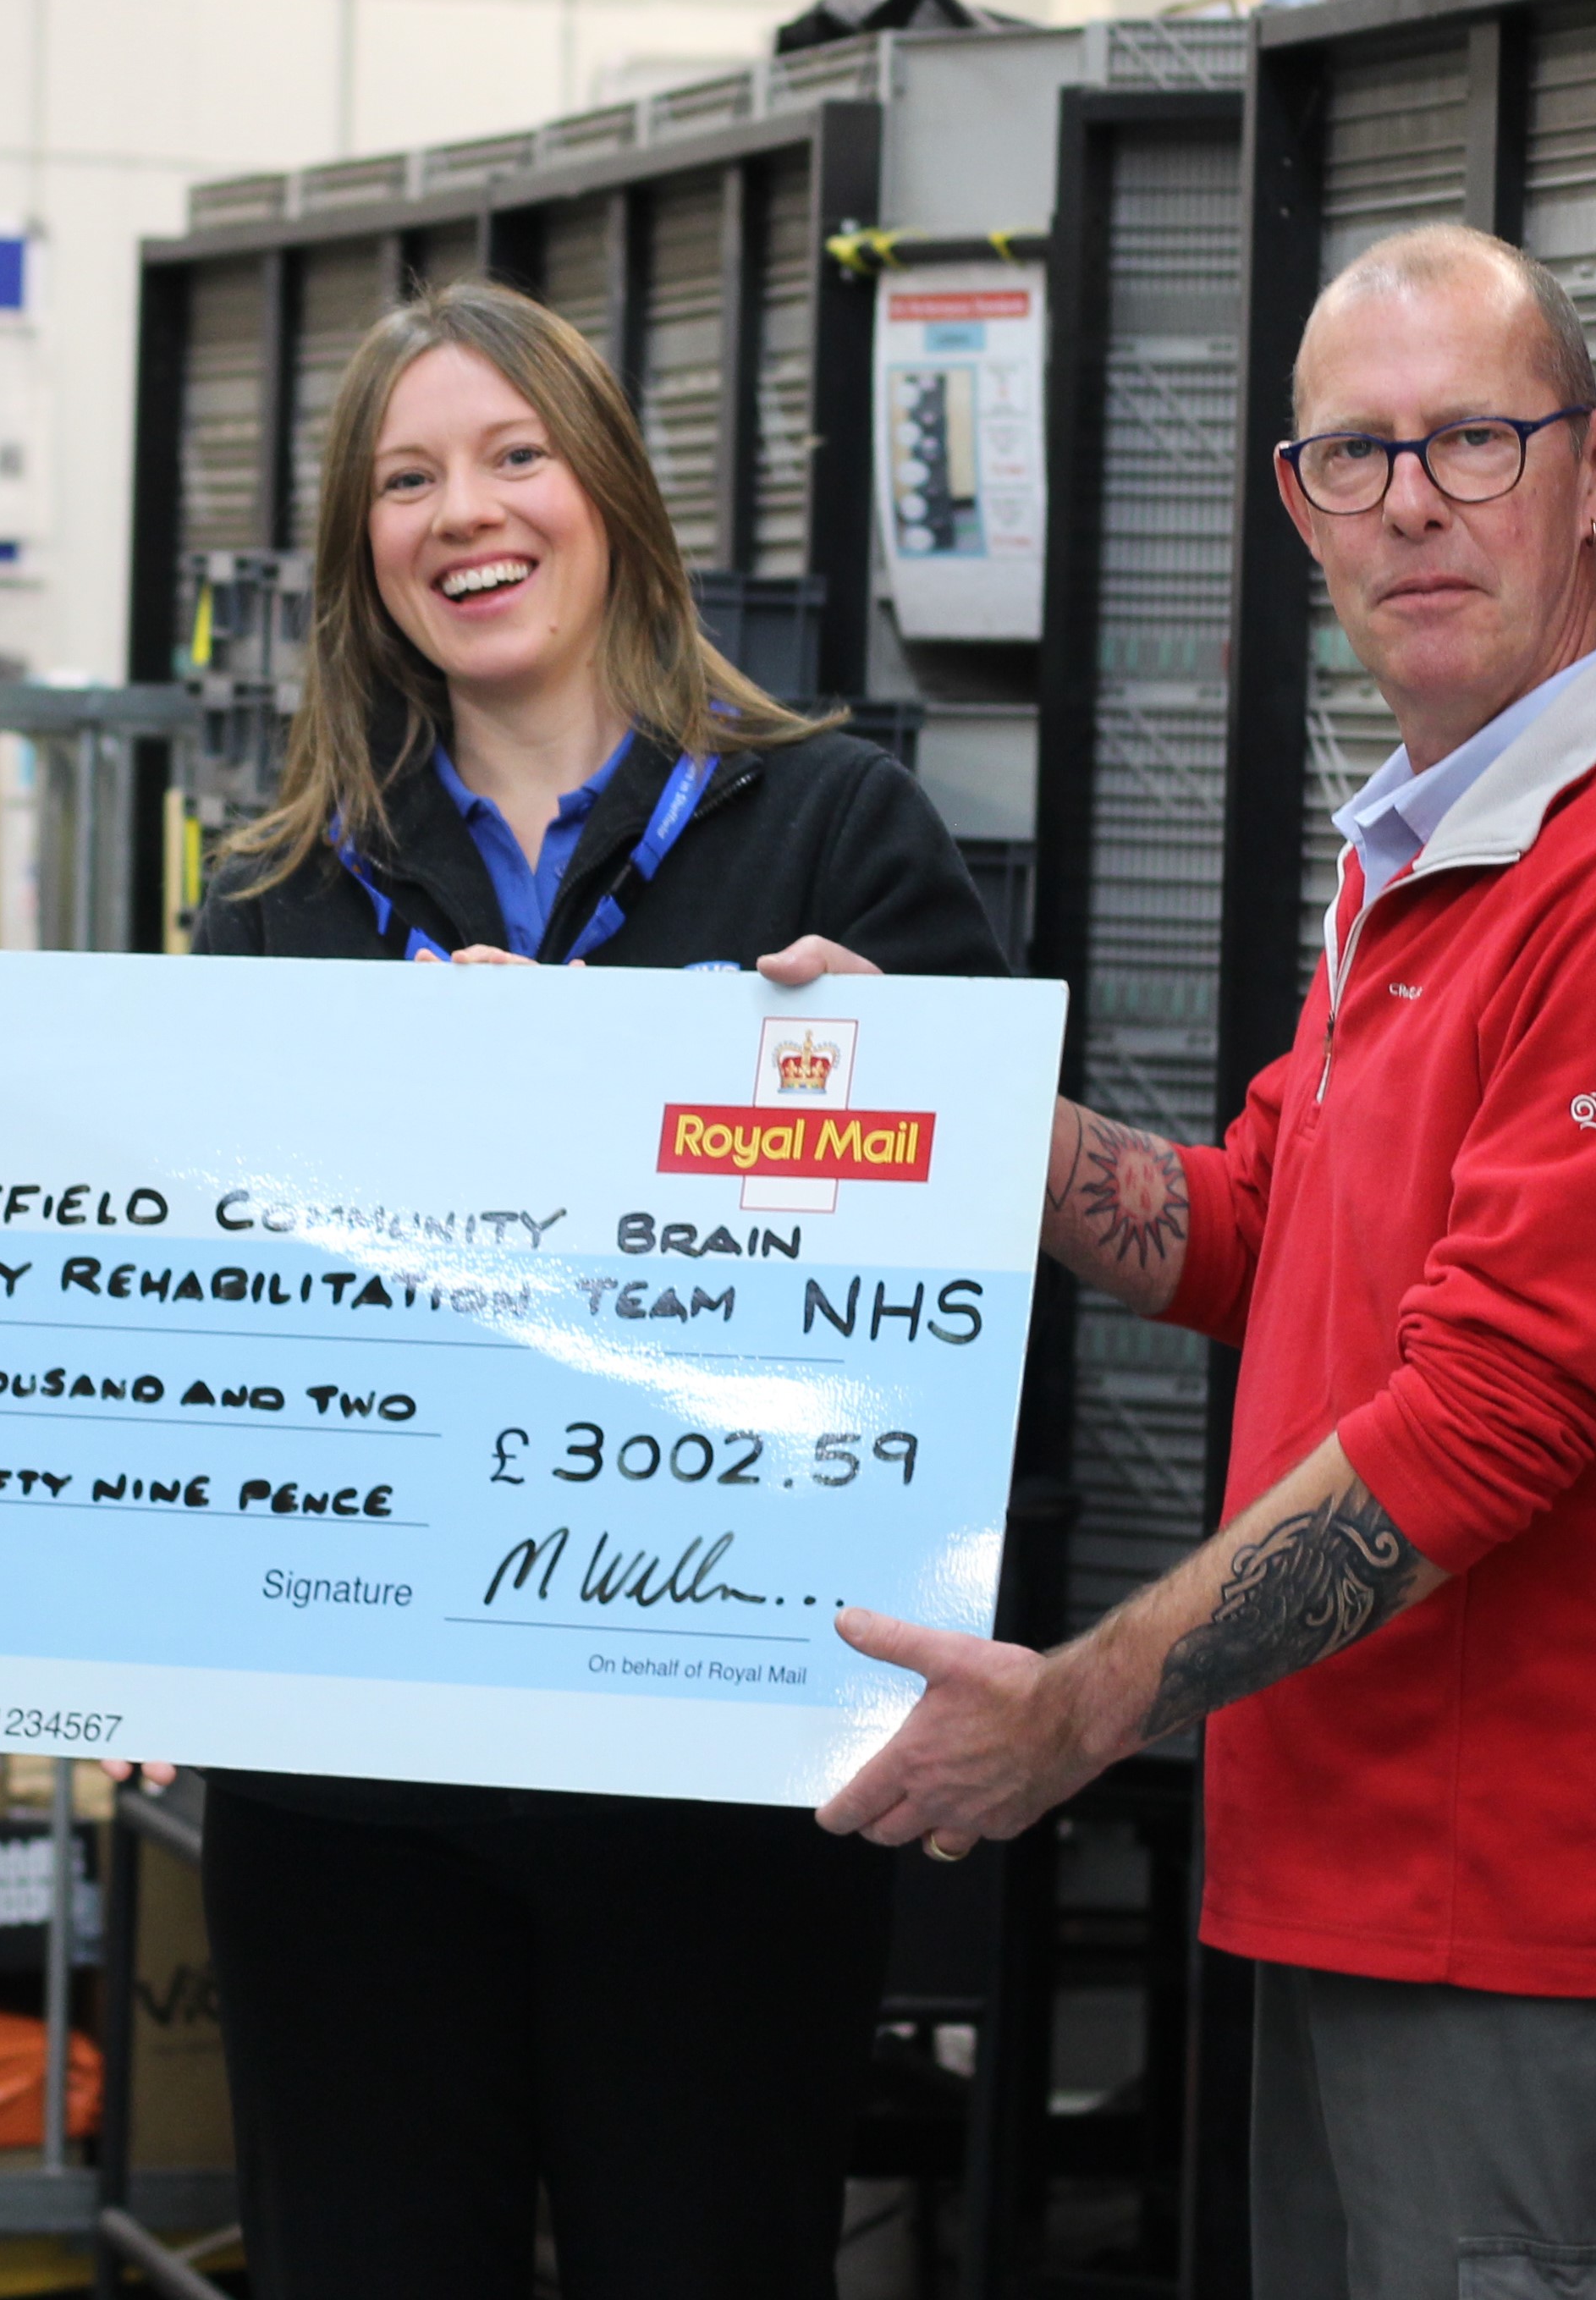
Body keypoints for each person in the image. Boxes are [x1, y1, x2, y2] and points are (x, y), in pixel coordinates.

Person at [802, 226, 1596, 2300]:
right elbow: (1257, 1231)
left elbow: (1498, 1413)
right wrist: (933, 1108)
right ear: (1294, 504)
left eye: (1475, 440)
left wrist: (1085, 1704)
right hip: (1350, 1876)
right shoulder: (1430, 857)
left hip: (1550, 1926)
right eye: (1355, 455)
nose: (1412, 502)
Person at [179, 278, 1005, 2299]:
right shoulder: (283, 895)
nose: (466, 513)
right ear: (362, 554)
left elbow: (967, 1298)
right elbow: (212, 1319)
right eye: (406, 479)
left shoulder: (840, 836)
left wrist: (858, 1093)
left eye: (513, 455)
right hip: (355, 1791)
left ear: (610, 492)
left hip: (716, 1781)